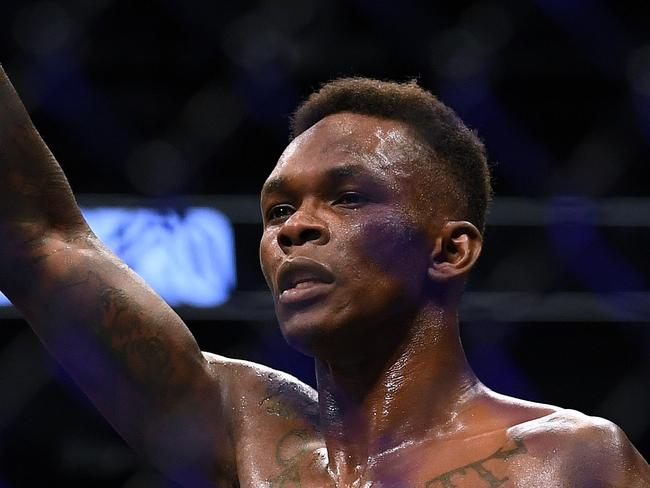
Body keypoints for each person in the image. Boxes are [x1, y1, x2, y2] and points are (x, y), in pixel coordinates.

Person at [0, 65, 648, 488]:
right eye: (278, 209)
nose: (293, 228)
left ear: (449, 251)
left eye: (346, 197)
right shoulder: (242, 426)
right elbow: (39, 239)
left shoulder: (566, 461)